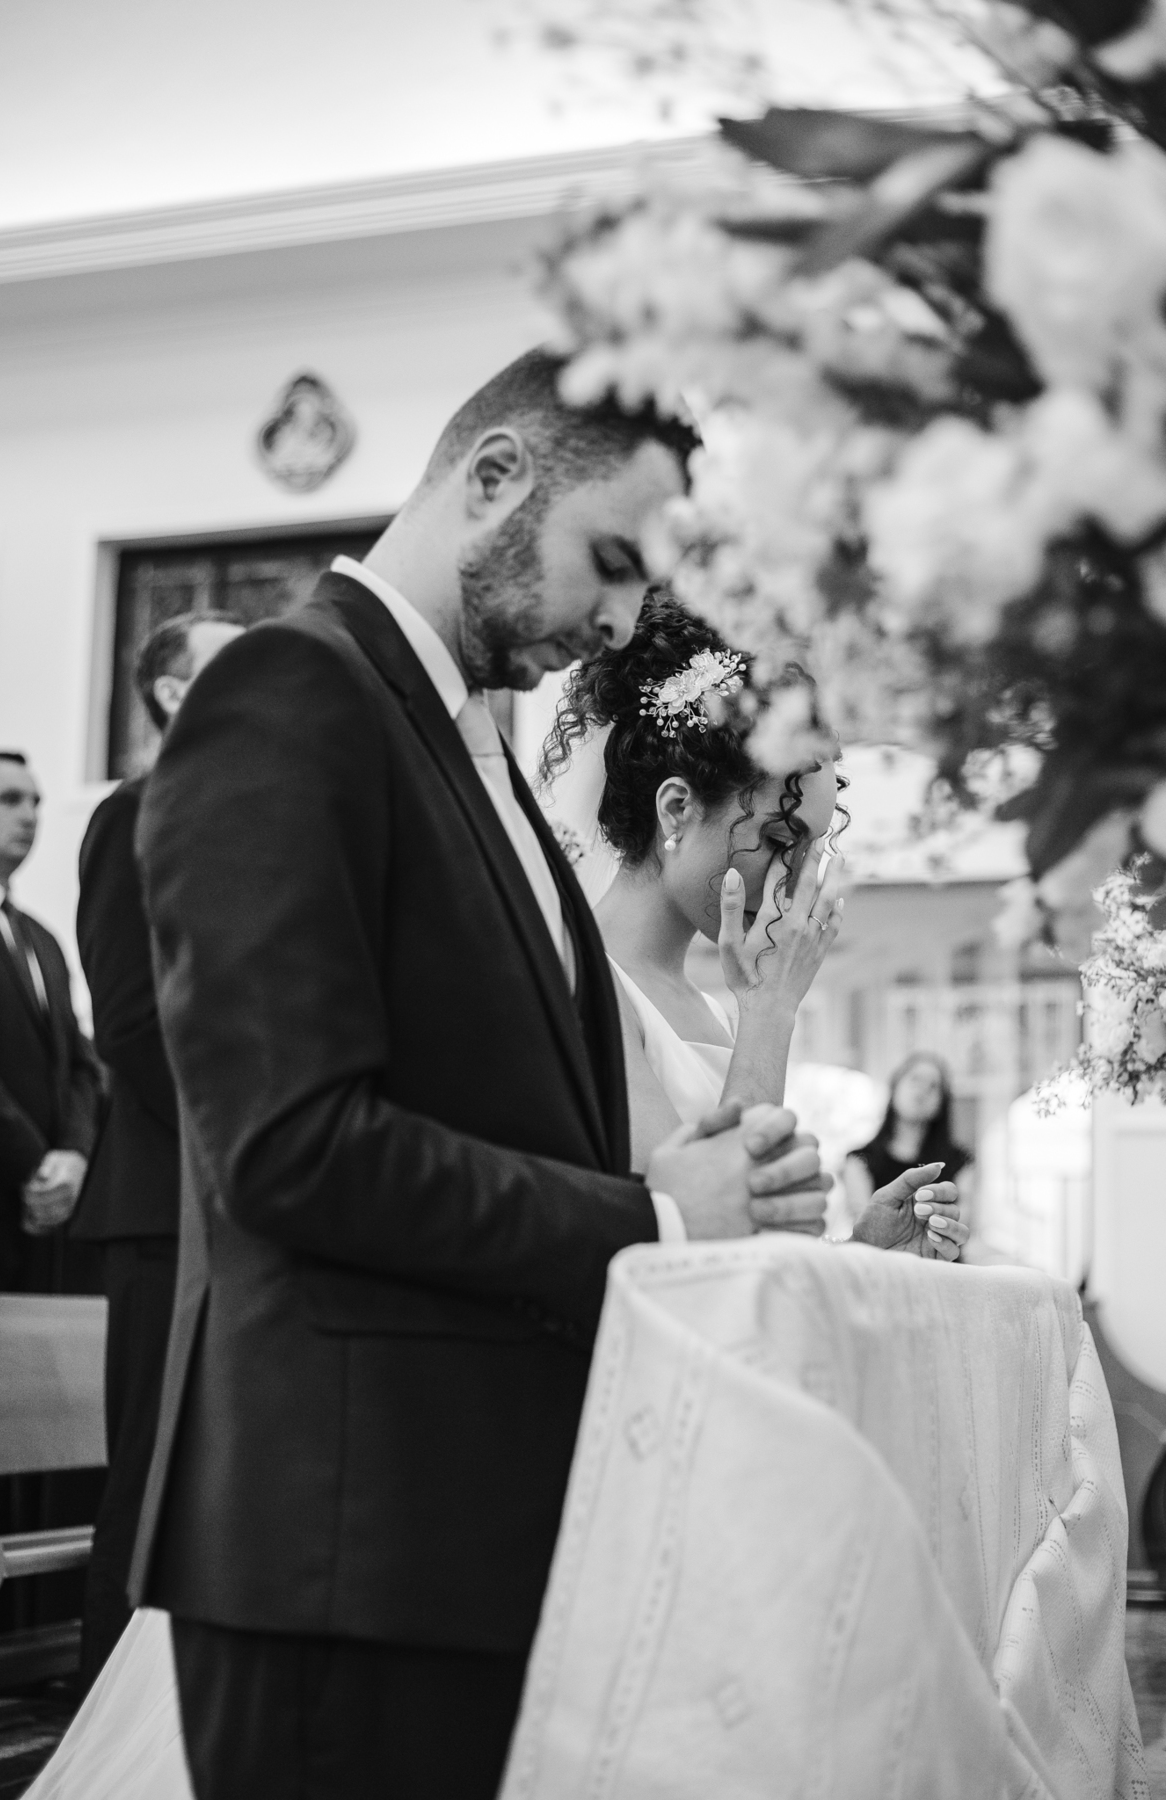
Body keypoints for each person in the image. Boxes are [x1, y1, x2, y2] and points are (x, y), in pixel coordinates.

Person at [120, 346, 837, 1800]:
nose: (623, 620)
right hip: (345, 1543)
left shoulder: (472, 751)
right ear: (497, 475)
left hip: (470, 1531)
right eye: (613, 562)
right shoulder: (289, 691)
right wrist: (654, 1215)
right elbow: (289, 1146)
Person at [540, 592, 967, 1261]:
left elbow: (757, 1262)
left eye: (807, 853)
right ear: (676, 810)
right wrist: (771, 1009)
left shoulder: (715, 1013)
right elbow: (700, 1250)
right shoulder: (580, 981)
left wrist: (863, 1251)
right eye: (777, 840)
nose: (791, 884)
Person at [72, 611, 244, 1690]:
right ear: (174, 692)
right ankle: (98, 1713)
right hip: (162, 1198)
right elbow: (131, 1021)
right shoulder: (131, 813)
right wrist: (245, 1133)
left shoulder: (248, 815)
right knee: (147, 1476)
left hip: (232, 1199)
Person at [0, 750, 102, 1293]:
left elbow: (80, 1064)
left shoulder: (42, 939)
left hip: (48, 1208)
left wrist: (73, 1156)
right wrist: (34, 1165)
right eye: (9, 799)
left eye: (37, 802)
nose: (29, 815)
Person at [843, 1053, 975, 1230]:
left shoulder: (962, 1162)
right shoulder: (859, 1160)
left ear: (942, 1102)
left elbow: (963, 1222)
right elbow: (863, 1225)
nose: (922, 1091)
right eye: (915, 1079)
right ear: (895, 1086)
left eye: (933, 1086)